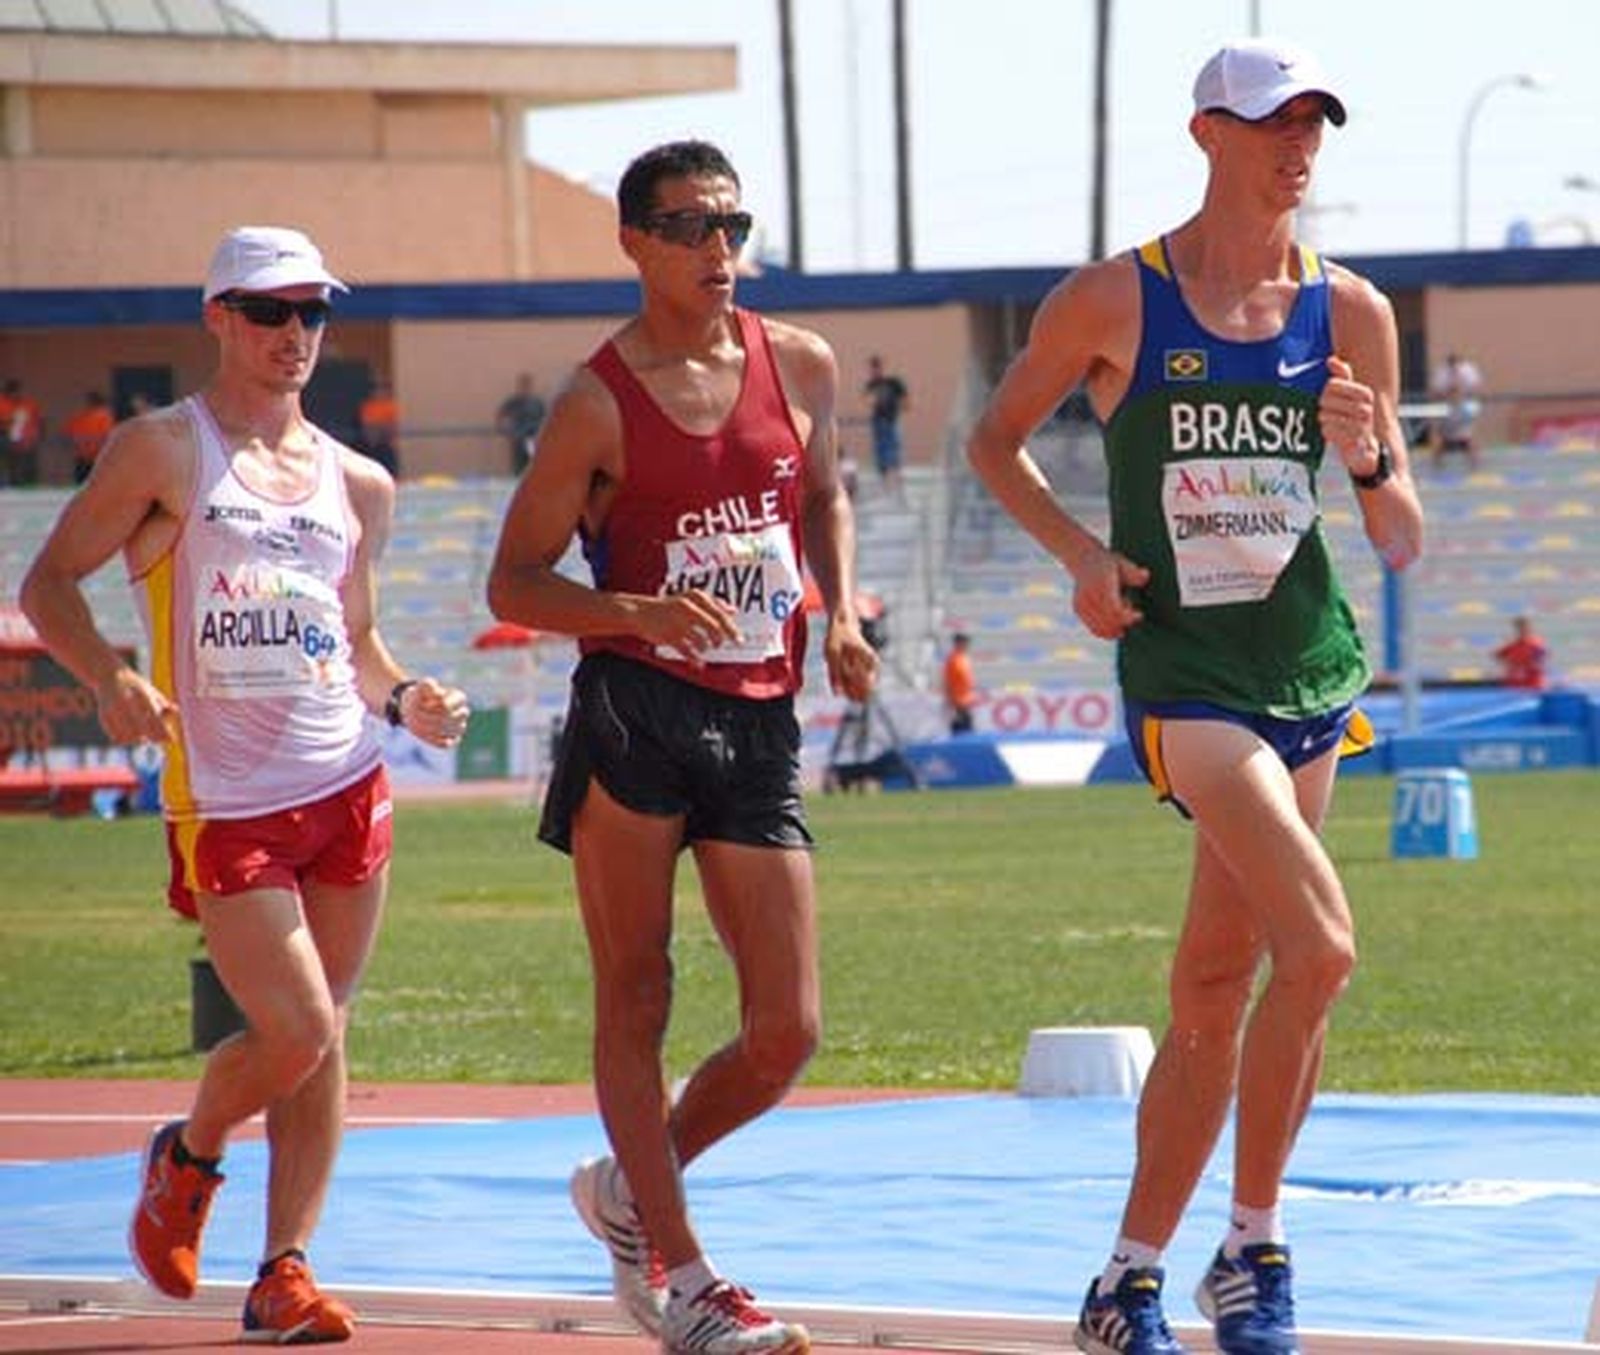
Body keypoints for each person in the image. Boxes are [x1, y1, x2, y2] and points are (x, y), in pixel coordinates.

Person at [966, 38, 1423, 1355]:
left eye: (1315, 126)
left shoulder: (1352, 313)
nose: (1300, 148)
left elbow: (1398, 536)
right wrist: (1079, 557)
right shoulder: (1116, 297)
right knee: (1322, 946)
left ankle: (1126, 1279)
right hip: (1185, 673)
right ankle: (1256, 1241)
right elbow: (994, 443)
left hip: (1310, 669)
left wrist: (1373, 451)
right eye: (1276, 123)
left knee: (1218, 985)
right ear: (1206, 133)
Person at [19, 223, 470, 1345]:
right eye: (270, 311)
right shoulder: (164, 450)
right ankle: (188, 1152)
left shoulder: (360, 482)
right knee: (296, 1026)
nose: (294, 333)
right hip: (227, 793)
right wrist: (112, 675)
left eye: (312, 311)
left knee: (328, 1030)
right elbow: (49, 583)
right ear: (218, 315)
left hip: (349, 779)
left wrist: (408, 695)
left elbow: (358, 641)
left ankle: (285, 1270)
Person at [486, 139, 877, 1355]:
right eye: (692, 227)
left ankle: (624, 1189)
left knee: (786, 1029)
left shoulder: (797, 362)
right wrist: (634, 610)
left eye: (733, 225)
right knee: (638, 991)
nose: (720, 249)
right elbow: (515, 576)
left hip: (757, 711)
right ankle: (691, 1274)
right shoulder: (595, 402)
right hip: (636, 708)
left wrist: (845, 608)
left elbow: (821, 495)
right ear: (636, 243)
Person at [863, 354, 908, 498]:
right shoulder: (872, 384)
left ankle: (896, 483)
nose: (874, 371)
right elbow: (868, 400)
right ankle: (885, 483)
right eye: (872, 368)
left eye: (876, 367)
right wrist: (872, 400)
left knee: (893, 450)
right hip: (879, 421)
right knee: (881, 451)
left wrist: (901, 406)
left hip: (892, 420)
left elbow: (905, 398)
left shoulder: (893, 382)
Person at [1429, 351, 1483, 471]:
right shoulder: (1445, 409)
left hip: (1462, 436)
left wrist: (1462, 433)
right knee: (1437, 441)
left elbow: (1469, 425)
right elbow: (1440, 426)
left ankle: (1476, 469)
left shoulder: (1466, 408)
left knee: (1471, 441)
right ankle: (1436, 470)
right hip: (1447, 436)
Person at [494, 371, 547, 476]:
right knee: (518, 464)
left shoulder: (537, 402)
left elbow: (545, 417)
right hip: (518, 438)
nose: (525, 388)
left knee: (533, 462)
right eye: (523, 385)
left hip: (533, 438)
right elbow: (501, 414)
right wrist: (504, 428)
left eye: (527, 385)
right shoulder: (514, 401)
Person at [64, 390, 115, 484]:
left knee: (81, 486)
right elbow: (108, 436)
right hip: (96, 458)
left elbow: (68, 433)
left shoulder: (82, 416)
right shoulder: (104, 415)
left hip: (83, 457)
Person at [2, 377, 45, 486]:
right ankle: (13, 487)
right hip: (7, 440)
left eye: (18, 391)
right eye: (13, 392)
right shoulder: (2, 403)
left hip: (28, 441)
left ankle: (30, 486)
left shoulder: (28, 403)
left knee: (29, 466)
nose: (16, 395)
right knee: (12, 466)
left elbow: (40, 420)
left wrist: (39, 436)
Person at [357, 377, 401, 478]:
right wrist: (373, 435)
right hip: (372, 445)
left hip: (387, 443)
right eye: (376, 388)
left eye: (383, 388)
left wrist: (382, 431)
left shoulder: (391, 405)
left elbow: (392, 425)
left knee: (390, 470)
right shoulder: (368, 406)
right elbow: (367, 425)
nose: (379, 391)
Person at [1493, 614, 1548, 689]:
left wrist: (1528, 664)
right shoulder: (1513, 645)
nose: (1521, 630)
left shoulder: (1535, 644)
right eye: (1519, 628)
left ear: (1529, 629)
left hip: (1532, 685)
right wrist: (1509, 664)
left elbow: (1540, 661)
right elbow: (1497, 655)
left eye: (1524, 628)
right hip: (1515, 685)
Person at [942, 630, 977, 735]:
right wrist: (950, 700)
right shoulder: (952, 659)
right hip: (957, 701)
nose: (966, 645)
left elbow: (968, 679)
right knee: (962, 727)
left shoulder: (964, 658)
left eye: (967, 642)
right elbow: (947, 681)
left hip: (966, 699)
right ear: (958, 643)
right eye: (964, 642)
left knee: (967, 727)